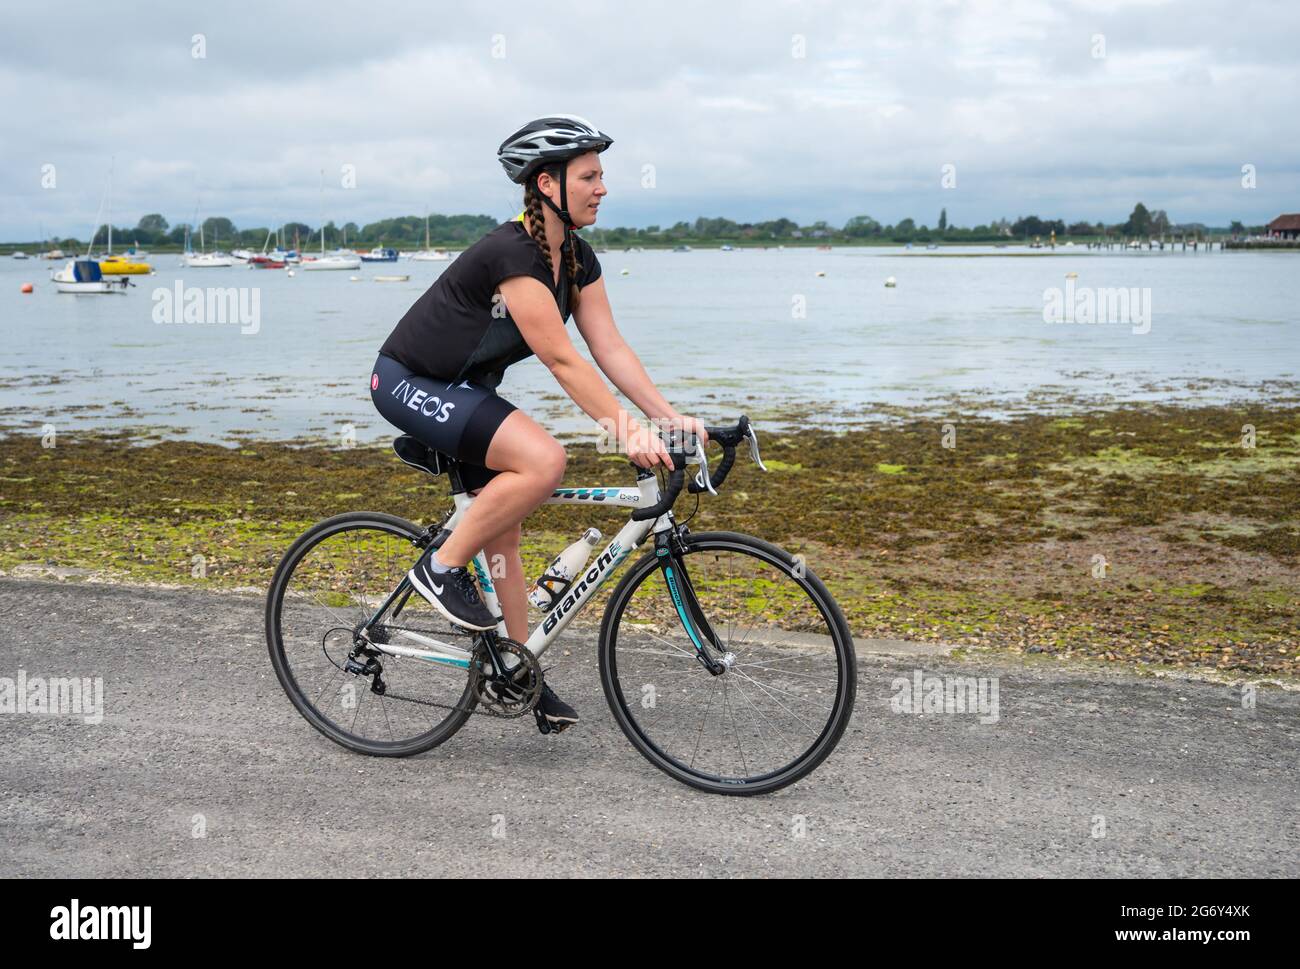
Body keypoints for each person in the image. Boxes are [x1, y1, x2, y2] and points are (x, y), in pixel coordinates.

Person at [371, 115, 710, 732]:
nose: (602, 187)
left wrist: (667, 418)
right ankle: (439, 569)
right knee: (544, 461)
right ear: (548, 184)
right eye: (589, 176)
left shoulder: (576, 258)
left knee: (504, 536)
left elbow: (608, 347)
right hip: (407, 382)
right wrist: (625, 431)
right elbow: (560, 356)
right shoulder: (513, 253)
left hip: (464, 390)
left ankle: (518, 671)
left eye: (602, 175)